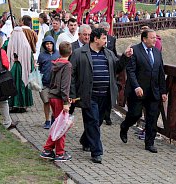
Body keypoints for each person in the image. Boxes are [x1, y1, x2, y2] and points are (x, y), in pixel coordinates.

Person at [69, 28, 133, 163]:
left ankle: (85, 140)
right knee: (92, 121)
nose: (106, 41)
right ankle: (96, 152)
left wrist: (125, 57)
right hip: (88, 94)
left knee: (97, 122)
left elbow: (117, 67)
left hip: (105, 95)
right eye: (104, 38)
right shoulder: (79, 53)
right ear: (95, 39)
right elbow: (71, 75)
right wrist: (72, 94)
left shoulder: (108, 53)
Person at [120, 29, 167, 153]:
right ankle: (124, 126)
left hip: (153, 91)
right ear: (144, 39)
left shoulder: (157, 52)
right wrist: (136, 86)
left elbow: (161, 72)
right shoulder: (135, 51)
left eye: (155, 38)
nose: (155, 40)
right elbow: (130, 70)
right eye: (152, 38)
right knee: (135, 114)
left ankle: (149, 143)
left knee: (152, 118)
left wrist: (163, 91)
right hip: (138, 91)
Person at [40, 41, 73, 161]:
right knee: (61, 126)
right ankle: (59, 152)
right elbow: (65, 86)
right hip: (59, 98)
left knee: (57, 124)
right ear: (71, 52)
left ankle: (48, 150)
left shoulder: (55, 63)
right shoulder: (67, 65)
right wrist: (65, 102)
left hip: (52, 95)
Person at [7, 27, 33, 113]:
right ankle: (22, 104)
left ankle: (14, 104)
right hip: (23, 68)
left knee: (14, 85)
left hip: (13, 67)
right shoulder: (26, 45)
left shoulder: (9, 43)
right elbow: (30, 59)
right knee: (21, 84)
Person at [38, 36, 60, 129]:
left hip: (55, 83)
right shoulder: (42, 55)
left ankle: (54, 119)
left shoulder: (58, 54)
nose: (49, 45)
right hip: (45, 83)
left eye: (50, 43)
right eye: (47, 44)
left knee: (55, 102)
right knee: (46, 102)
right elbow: (39, 68)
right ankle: (47, 120)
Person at [98, 22, 118, 125]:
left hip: (109, 67)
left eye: (106, 31)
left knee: (108, 95)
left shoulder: (112, 39)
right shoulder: (95, 39)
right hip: (99, 67)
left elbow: (114, 52)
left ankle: (107, 115)